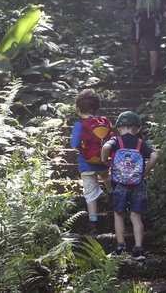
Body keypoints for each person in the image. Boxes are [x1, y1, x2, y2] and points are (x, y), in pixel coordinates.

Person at [101, 111, 159, 261]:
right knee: (136, 215)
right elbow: (155, 155)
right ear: (138, 129)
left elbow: (106, 147)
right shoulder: (141, 143)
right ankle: (138, 250)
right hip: (138, 183)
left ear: (118, 128)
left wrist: (105, 160)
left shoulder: (116, 141)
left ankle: (120, 248)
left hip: (119, 183)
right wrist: (145, 172)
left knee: (119, 214)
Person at [70, 89, 113, 235]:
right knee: (107, 178)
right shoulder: (104, 122)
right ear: (97, 107)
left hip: (86, 164)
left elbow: (75, 143)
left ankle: (93, 223)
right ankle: (114, 196)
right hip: (102, 161)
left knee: (90, 192)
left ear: (78, 108)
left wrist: (83, 151)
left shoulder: (79, 125)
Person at [127, 0, 166, 80]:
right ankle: (153, 74)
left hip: (139, 21)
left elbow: (130, 5)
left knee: (134, 41)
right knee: (153, 47)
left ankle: (136, 65)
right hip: (154, 21)